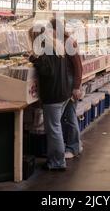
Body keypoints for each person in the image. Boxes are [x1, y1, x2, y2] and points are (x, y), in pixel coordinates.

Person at [28, 21, 72, 171]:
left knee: (54, 130)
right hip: (63, 93)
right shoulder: (56, 45)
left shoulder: (43, 48)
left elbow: (48, 70)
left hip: (53, 95)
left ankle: (58, 162)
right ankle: (56, 159)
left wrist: (33, 59)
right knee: (56, 128)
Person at [49, 18, 83, 160]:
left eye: (51, 30)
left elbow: (78, 66)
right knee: (68, 116)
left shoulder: (68, 42)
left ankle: (73, 147)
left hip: (70, 83)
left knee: (69, 116)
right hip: (66, 83)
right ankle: (75, 144)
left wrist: (76, 87)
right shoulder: (60, 42)